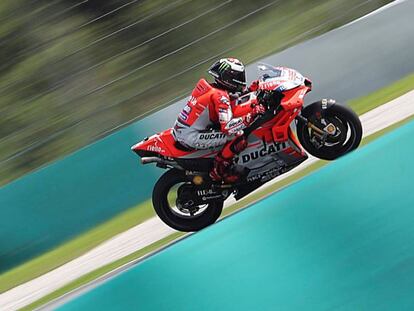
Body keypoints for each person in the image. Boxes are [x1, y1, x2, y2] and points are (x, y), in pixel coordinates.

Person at [172, 58, 266, 182]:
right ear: (228, 78)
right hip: (191, 136)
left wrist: (249, 91)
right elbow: (227, 128)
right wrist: (250, 116)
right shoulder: (220, 96)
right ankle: (219, 171)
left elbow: (231, 99)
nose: (241, 80)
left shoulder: (211, 88)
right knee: (237, 136)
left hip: (182, 130)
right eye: (238, 76)